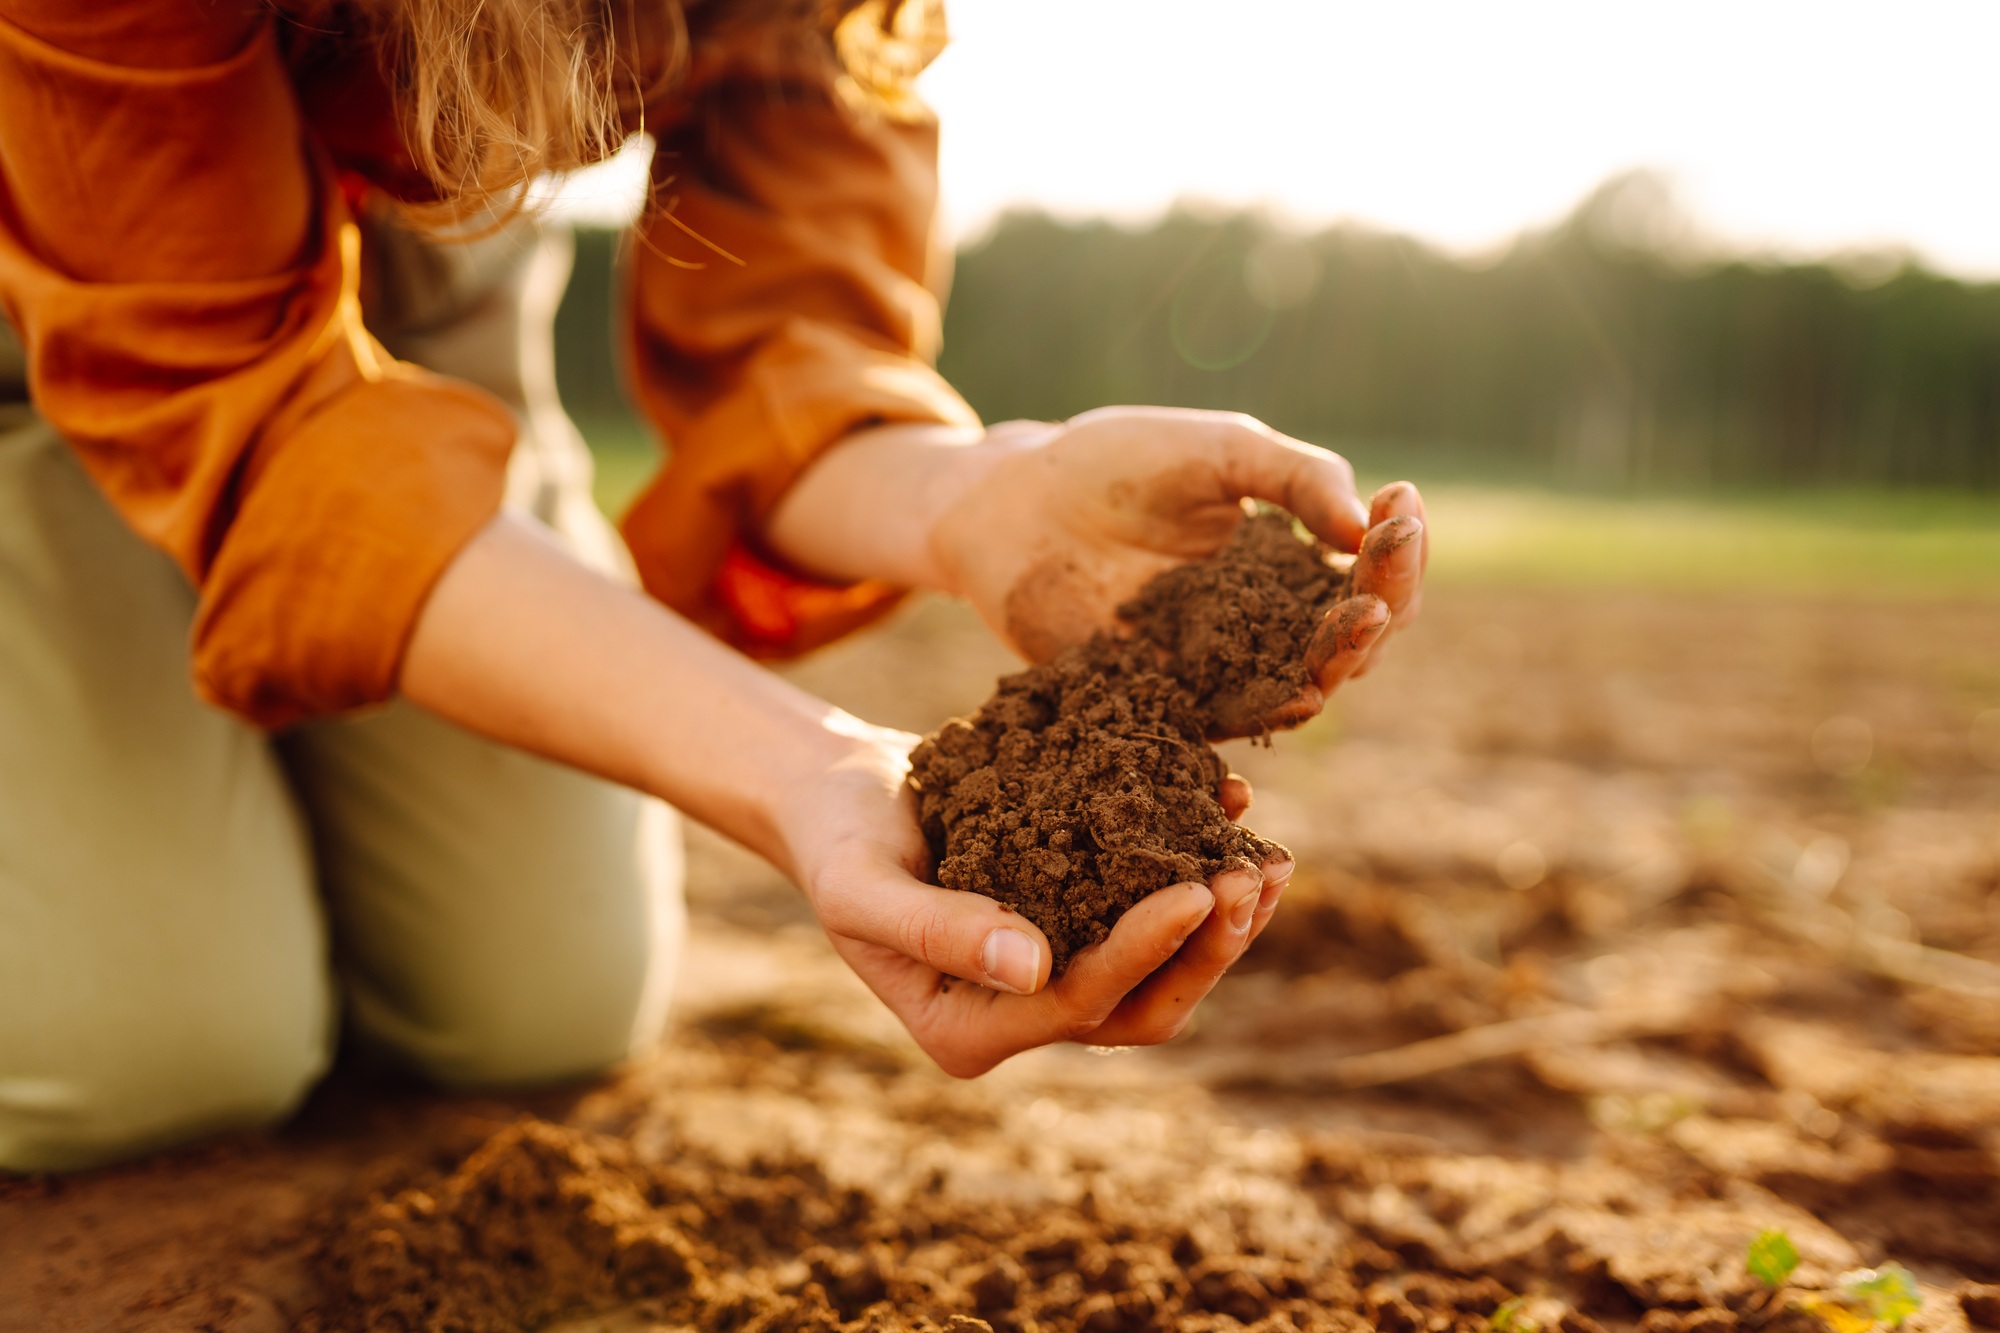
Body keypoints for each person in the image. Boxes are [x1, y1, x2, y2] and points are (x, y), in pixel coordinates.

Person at [0, 0, 1427, 1172]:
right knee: (157, 1047)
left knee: (536, 1001)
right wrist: (795, 765)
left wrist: (974, 496)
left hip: (415, 224)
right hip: (62, 206)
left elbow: (781, 321)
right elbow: (264, 431)